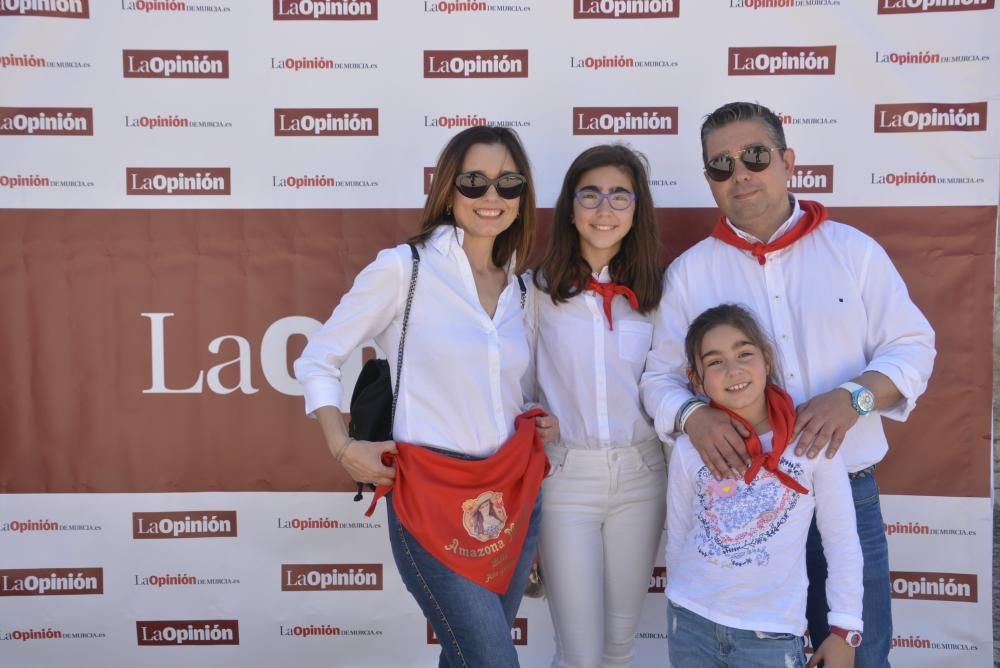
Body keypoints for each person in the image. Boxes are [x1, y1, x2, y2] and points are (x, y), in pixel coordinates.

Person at [640, 101, 936, 667]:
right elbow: (658, 380)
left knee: (860, 655)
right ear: (709, 181)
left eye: (754, 155)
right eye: (721, 165)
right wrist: (691, 416)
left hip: (845, 493)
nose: (740, 174)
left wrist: (856, 397)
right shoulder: (690, 273)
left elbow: (913, 346)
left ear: (788, 161)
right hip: (737, 508)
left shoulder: (852, 252)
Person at [294, 125, 559, 668]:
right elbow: (317, 358)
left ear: (523, 195)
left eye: (508, 183)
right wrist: (342, 447)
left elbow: (512, 390)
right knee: (491, 661)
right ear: (447, 188)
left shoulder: (522, 289)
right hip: (429, 500)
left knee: (467, 659)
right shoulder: (404, 269)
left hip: (511, 500)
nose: (492, 197)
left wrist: (538, 419)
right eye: (474, 181)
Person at [666, 303, 862, 668]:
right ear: (696, 379)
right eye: (715, 362)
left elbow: (842, 540)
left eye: (744, 354)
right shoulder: (688, 448)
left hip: (770, 632)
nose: (733, 370)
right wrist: (677, 599)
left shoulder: (810, 441)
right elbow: (678, 535)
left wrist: (845, 630)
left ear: (767, 360)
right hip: (690, 621)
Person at [530, 144, 666, 667]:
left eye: (619, 196)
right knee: (579, 655)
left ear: (637, 209)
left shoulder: (657, 294)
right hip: (567, 477)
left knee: (618, 648)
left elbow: (668, 381)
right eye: (590, 195)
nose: (604, 209)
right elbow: (515, 387)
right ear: (569, 207)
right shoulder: (533, 294)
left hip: (641, 475)